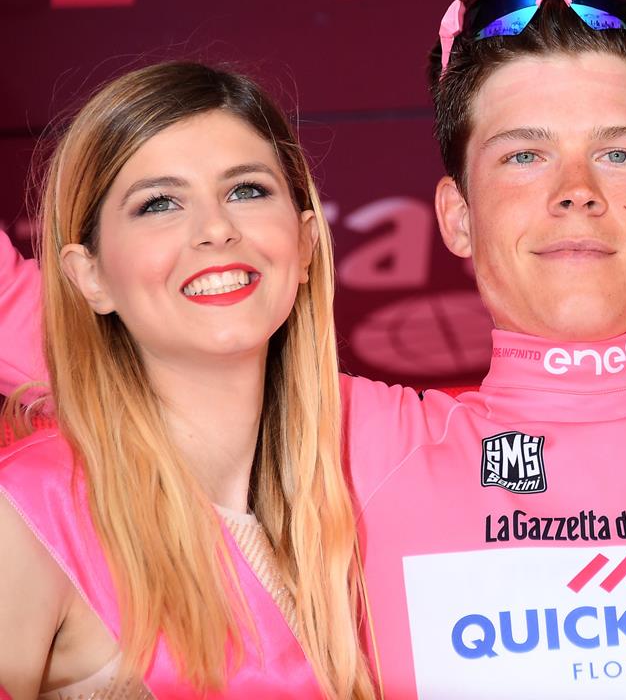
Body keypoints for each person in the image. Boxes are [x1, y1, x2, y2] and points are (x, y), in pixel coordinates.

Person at [0, 0, 626, 699]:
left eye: (617, 152)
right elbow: (148, 322)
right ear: (455, 217)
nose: (576, 190)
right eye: (524, 155)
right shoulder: (344, 444)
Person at [0, 64, 374, 697]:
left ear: (307, 242)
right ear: (90, 276)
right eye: (159, 203)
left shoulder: (353, 510)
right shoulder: (30, 513)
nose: (216, 228)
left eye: (247, 190)